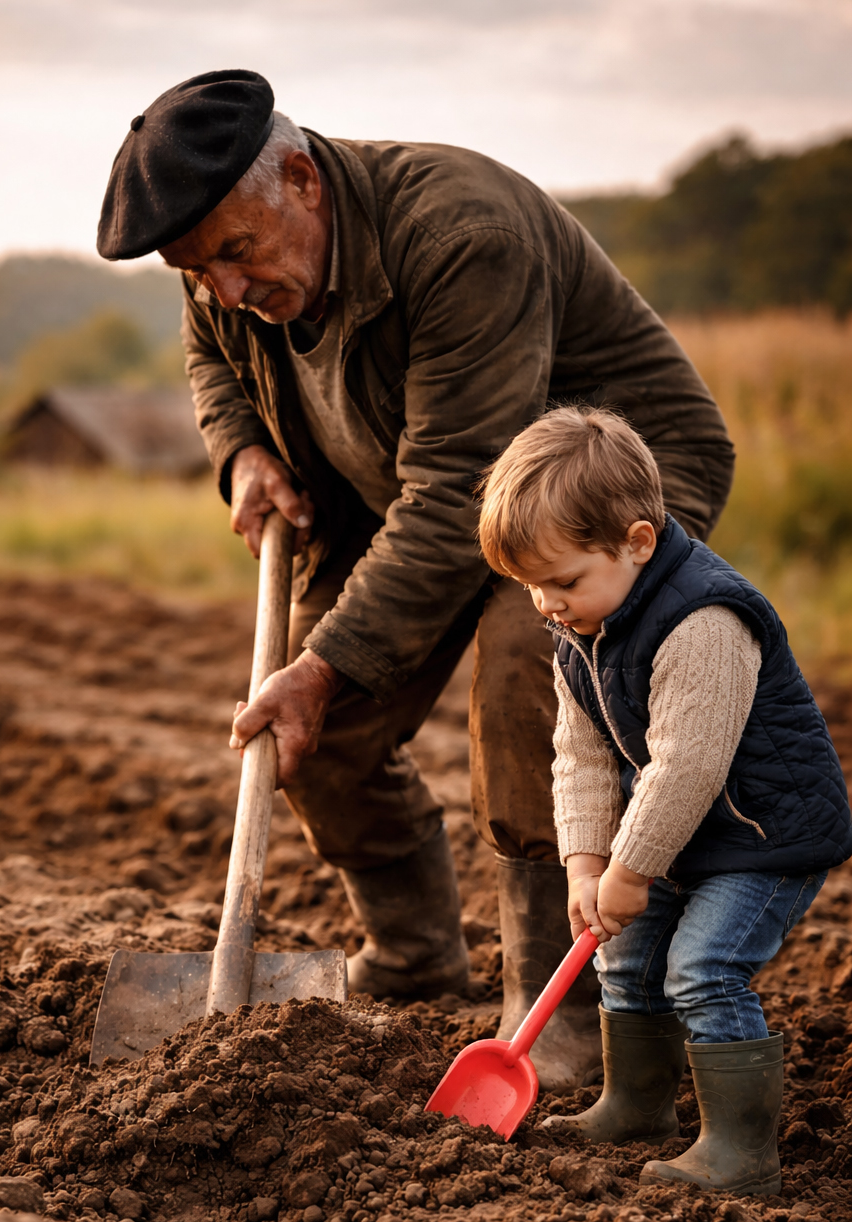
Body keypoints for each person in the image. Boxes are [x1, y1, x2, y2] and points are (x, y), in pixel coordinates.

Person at [96, 68, 736, 1090]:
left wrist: (325, 661)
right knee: (310, 733)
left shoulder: (460, 237)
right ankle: (413, 951)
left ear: (302, 180)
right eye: (192, 267)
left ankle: (556, 1009)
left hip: (594, 479)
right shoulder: (223, 263)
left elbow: (458, 498)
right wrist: (242, 453)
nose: (222, 288)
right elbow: (213, 357)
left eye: (236, 254)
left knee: (534, 665)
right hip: (403, 481)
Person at [477, 406, 852, 1193]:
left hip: (763, 838)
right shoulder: (582, 626)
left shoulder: (705, 620)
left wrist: (631, 868)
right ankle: (637, 1107)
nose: (546, 603)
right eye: (531, 586)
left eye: (563, 581)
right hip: (685, 834)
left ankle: (741, 1154)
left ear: (638, 542)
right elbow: (578, 755)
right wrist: (585, 863)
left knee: (702, 966)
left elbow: (687, 766)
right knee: (627, 957)